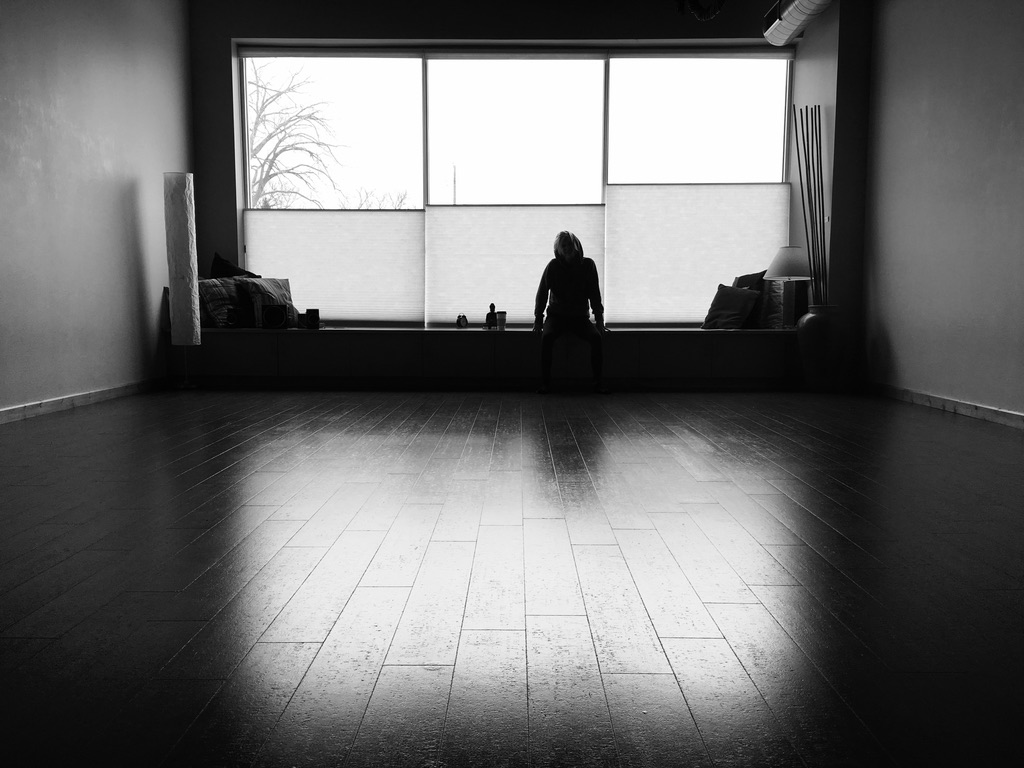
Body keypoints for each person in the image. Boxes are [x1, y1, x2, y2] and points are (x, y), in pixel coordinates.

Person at [533, 230, 608, 393]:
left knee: (596, 338)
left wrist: (599, 320)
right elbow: (542, 292)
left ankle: (598, 383)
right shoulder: (553, 266)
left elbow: (595, 294)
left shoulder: (588, 265)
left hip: (579, 317)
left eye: (569, 244)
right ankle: (545, 384)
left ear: (576, 246)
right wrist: (538, 319)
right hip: (556, 317)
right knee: (547, 338)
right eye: (563, 245)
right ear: (558, 250)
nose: (567, 248)